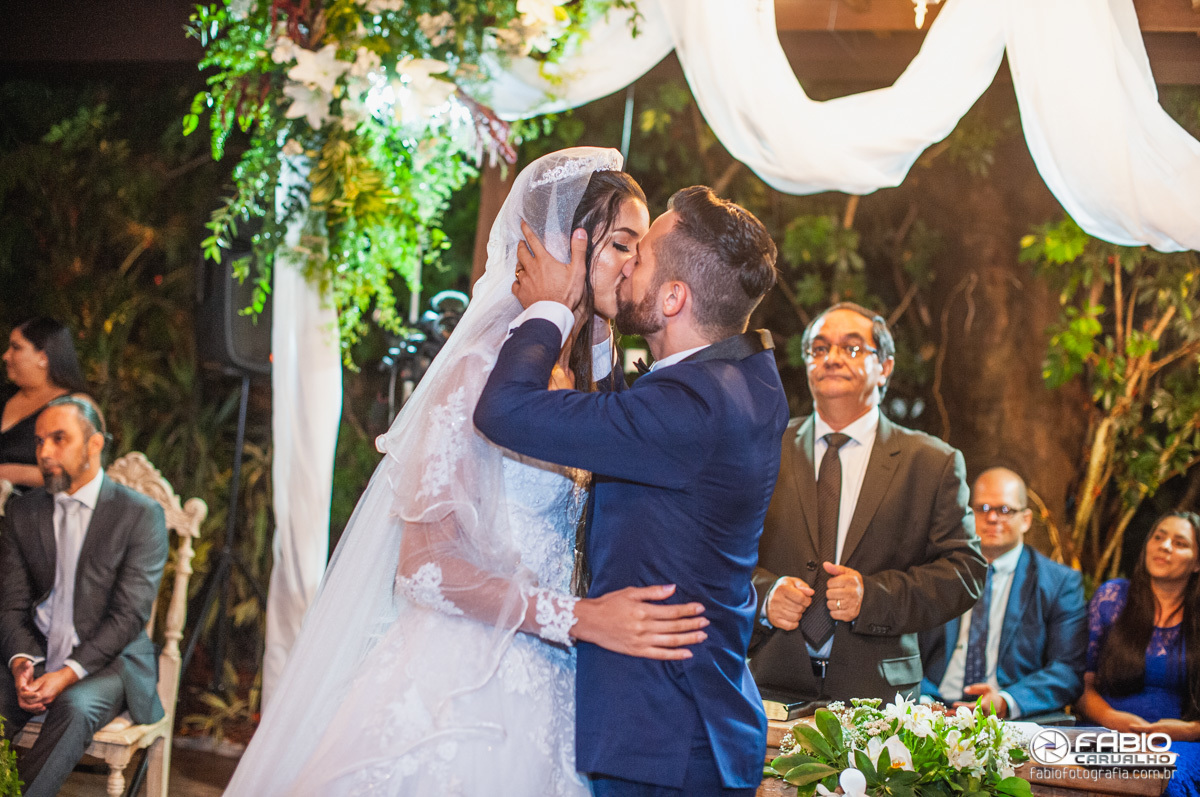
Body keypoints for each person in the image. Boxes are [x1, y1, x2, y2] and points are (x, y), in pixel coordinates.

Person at [224, 148, 709, 797]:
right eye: (623, 244)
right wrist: (580, 617)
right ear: (571, 243)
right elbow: (424, 567)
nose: (634, 266)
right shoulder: (480, 371)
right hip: (457, 680)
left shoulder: (577, 380)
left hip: (547, 677)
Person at [474, 185, 788, 797]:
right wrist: (599, 331)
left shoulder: (689, 411)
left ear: (673, 298)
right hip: (691, 723)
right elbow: (632, 426)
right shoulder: (741, 381)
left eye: (638, 256)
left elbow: (506, 410)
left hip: (663, 737)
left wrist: (551, 308)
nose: (624, 265)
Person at [749, 302, 986, 704]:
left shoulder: (931, 462)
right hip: (769, 683)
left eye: (852, 348)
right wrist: (765, 595)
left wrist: (873, 598)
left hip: (879, 694)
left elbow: (966, 572)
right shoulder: (762, 449)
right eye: (819, 349)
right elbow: (715, 552)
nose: (833, 358)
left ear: (886, 366)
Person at [0, 397, 168, 797]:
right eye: (40, 441)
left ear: (94, 444)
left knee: (73, 709)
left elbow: (129, 617)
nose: (44, 453)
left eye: (59, 439)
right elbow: (11, 604)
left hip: (109, 660)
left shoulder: (139, 515)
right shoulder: (24, 511)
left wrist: (67, 672)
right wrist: (24, 661)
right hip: (38, 651)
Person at [920, 467, 1087, 719]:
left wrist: (1006, 701)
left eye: (1005, 510)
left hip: (1010, 717)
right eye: (983, 509)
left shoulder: (1060, 583)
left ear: (1026, 519)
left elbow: (1067, 670)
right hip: (931, 710)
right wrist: (923, 700)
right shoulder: (935, 572)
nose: (993, 518)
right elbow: (901, 650)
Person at [1076, 511, 1200, 796]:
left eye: (1179, 543)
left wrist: (1188, 731)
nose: (1164, 546)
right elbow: (1081, 684)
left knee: (1165, 778)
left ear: (1197, 562)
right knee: (1059, 770)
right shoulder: (1113, 598)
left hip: (1180, 743)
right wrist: (1112, 718)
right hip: (1106, 732)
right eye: (1158, 537)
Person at [1, 318, 90, 491]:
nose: (6, 356)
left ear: (43, 357)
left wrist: (12, 473)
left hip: (39, 511)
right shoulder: (5, 395)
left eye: (16, 347)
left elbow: (80, 474)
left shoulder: (73, 406)